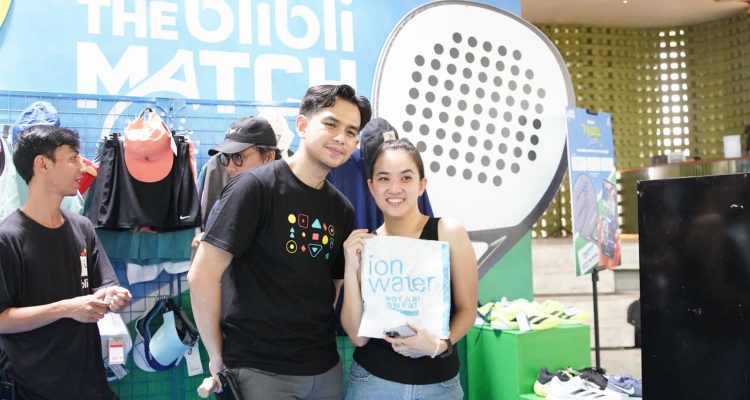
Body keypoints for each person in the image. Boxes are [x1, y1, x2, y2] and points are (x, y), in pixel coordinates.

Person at [188, 84, 371, 399]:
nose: (341, 137)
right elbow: (201, 275)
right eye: (331, 124)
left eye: (351, 132)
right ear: (302, 125)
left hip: (324, 368)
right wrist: (216, 358)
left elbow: (332, 286)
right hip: (259, 371)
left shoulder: (342, 209)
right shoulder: (253, 188)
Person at [0, 125, 132, 399]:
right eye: (72, 158)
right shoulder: (8, 237)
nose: (83, 168)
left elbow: (104, 285)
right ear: (42, 164)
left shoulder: (82, 227)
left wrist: (113, 297)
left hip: (89, 381)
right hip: (31, 387)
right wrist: (67, 308)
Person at [340, 138, 478, 399]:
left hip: (439, 387)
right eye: (384, 178)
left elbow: (468, 309)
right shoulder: (366, 246)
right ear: (371, 186)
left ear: (421, 185)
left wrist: (439, 345)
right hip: (373, 383)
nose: (395, 188)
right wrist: (349, 267)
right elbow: (358, 337)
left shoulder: (449, 233)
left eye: (406, 178)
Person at [191, 116, 280, 256]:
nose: (230, 168)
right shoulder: (227, 199)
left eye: (238, 157)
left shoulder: (289, 199)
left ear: (268, 156)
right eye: (226, 157)